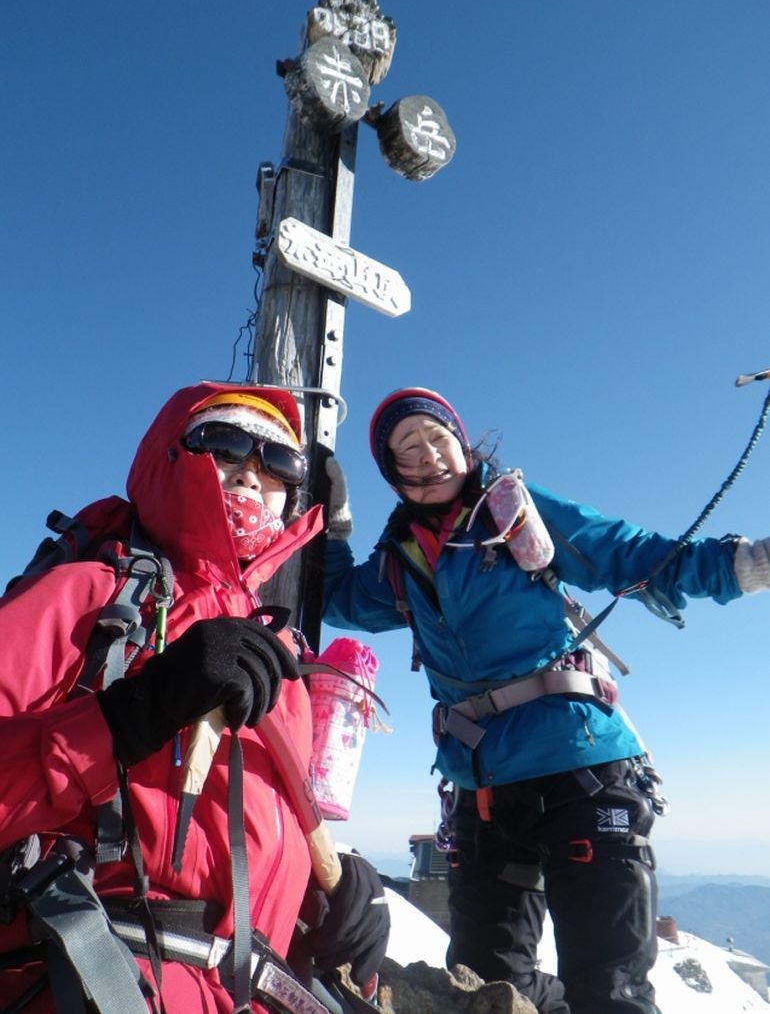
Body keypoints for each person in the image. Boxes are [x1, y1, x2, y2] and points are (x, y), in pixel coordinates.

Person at [322, 386, 770, 1014]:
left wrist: (745, 565)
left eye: (437, 438)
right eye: (407, 448)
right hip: (484, 793)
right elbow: (336, 597)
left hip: (580, 772)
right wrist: (333, 521)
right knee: (486, 984)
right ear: (393, 473)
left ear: (463, 444)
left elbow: (630, 554)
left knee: (610, 989)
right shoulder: (399, 563)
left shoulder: (515, 512)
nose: (428, 456)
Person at [0, 381, 389, 1013]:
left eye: (278, 462)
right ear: (172, 454)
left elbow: (241, 858)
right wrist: (130, 715)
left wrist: (324, 904)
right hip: (88, 974)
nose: (251, 470)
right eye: (225, 441)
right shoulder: (88, 600)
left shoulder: (278, 660)